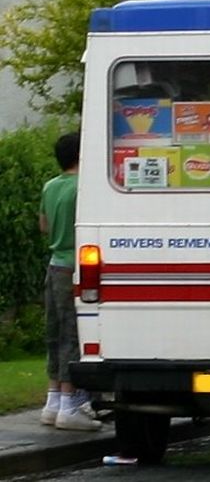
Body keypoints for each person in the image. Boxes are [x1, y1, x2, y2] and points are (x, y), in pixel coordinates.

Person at [38, 132, 101, 431]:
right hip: (74, 267)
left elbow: (43, 225)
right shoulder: (84, 189)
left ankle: (52, 401)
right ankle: (71, 403)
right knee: (74, 334)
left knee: (54, 332)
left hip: (54, 266)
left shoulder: (51, 186)